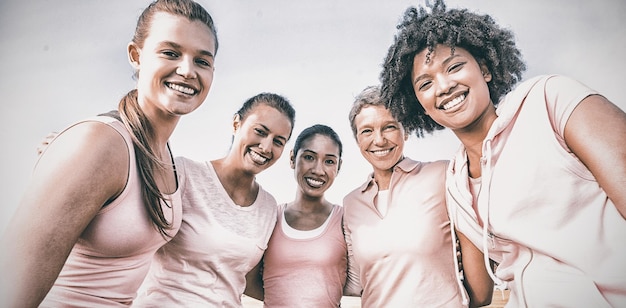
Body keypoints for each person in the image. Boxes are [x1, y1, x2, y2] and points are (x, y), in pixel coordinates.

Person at [379, 0, 626, 307]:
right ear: (420, 105)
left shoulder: (550, 101)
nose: (443, 86)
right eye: (425, 84)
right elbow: (479, 293)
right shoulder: (456, 185)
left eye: (454, 66)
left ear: (484, 69)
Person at [0, 0, 218, 307]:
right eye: (170, 53)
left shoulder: (164, 154)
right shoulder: (100, 144)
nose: (187, 70)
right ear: (136, 56)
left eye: (202, 61)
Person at [133, 92, 296, 307]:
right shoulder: (182, 174)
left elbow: (250, 278)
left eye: (278, 141)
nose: (266, 147)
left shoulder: (268, 207)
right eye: (260, 131)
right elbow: (132, 242)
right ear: (236, 124)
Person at [342, 85, 493, 307]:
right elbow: (356, 283)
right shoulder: (351, 203)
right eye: (366, 131)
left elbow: (481, 291)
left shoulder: (443, 175)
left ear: (407, 131)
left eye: (389, 127)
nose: (379, 140)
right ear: (357, 140)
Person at [261, 124, 347, 307]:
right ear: (292, 158)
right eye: (309, 157)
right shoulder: (270, 217)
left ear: (339, 167)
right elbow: (250, 277)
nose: (318, 170)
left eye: (329, 161)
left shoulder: (345, 220)